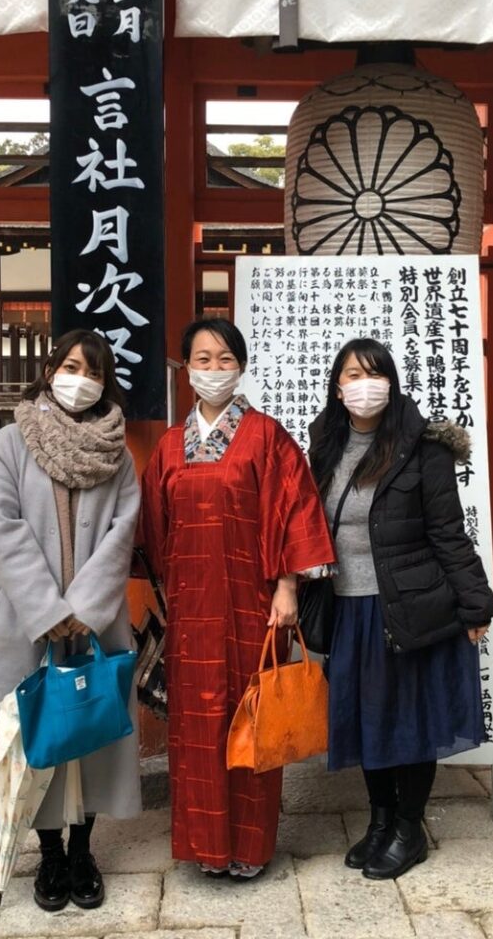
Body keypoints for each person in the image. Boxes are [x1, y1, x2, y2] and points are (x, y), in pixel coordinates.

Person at [140, 317, 335, 880]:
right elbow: (154, 531)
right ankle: (205, 846)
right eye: (202, 359)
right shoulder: (170, 446)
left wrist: (288, 586)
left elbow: (294, 510)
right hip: (191, 606)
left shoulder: (266, 436)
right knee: (195, 725)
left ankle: (249, 847)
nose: (214, 370)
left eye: (225, 359)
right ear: (186, 369)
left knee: (253, 718)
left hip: (254, 602)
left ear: (242, 366)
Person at [308, 338, 493, 881]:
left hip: (410, 606)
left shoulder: (423, 449)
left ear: (391, 382)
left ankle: (410, 828)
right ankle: (380, 819)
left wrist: (475, 604)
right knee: (367, 718)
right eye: (351, 374)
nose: (363, 385)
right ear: (337, 386)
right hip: (349, 609)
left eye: (373, 373)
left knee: (411, 718)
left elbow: (448, 533)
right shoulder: (325, 444)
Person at [0, 329, 141, 912]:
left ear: (105, 381)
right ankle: (50, 855)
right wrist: (49, 610)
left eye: (92, 370)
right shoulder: (13, 443)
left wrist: (84, 611)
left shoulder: (119, 453)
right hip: (23, 617)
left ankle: (85, 850)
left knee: (89, 730)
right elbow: (5, 527)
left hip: (94, 620)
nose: (80, 379)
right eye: (70, 365)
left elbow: (122, 533)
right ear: (49, 370)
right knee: (35, 734)